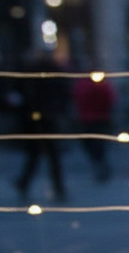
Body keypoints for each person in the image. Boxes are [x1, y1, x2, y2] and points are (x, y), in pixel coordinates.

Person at [14, 50, 69, 202]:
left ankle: (26, 183)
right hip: (44, 118)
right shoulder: (47, 74)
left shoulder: (31, 75)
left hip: (40, 118)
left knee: (39, 153)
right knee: (47, 154)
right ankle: (54, 186)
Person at [72, 70, 116, 181]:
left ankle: (99, 164)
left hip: (98, 119)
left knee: (97, 145)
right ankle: (99, 163)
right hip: (88, 119)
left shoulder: (101, 86)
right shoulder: (83, 85)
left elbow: (110, 99)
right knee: (91, 145)